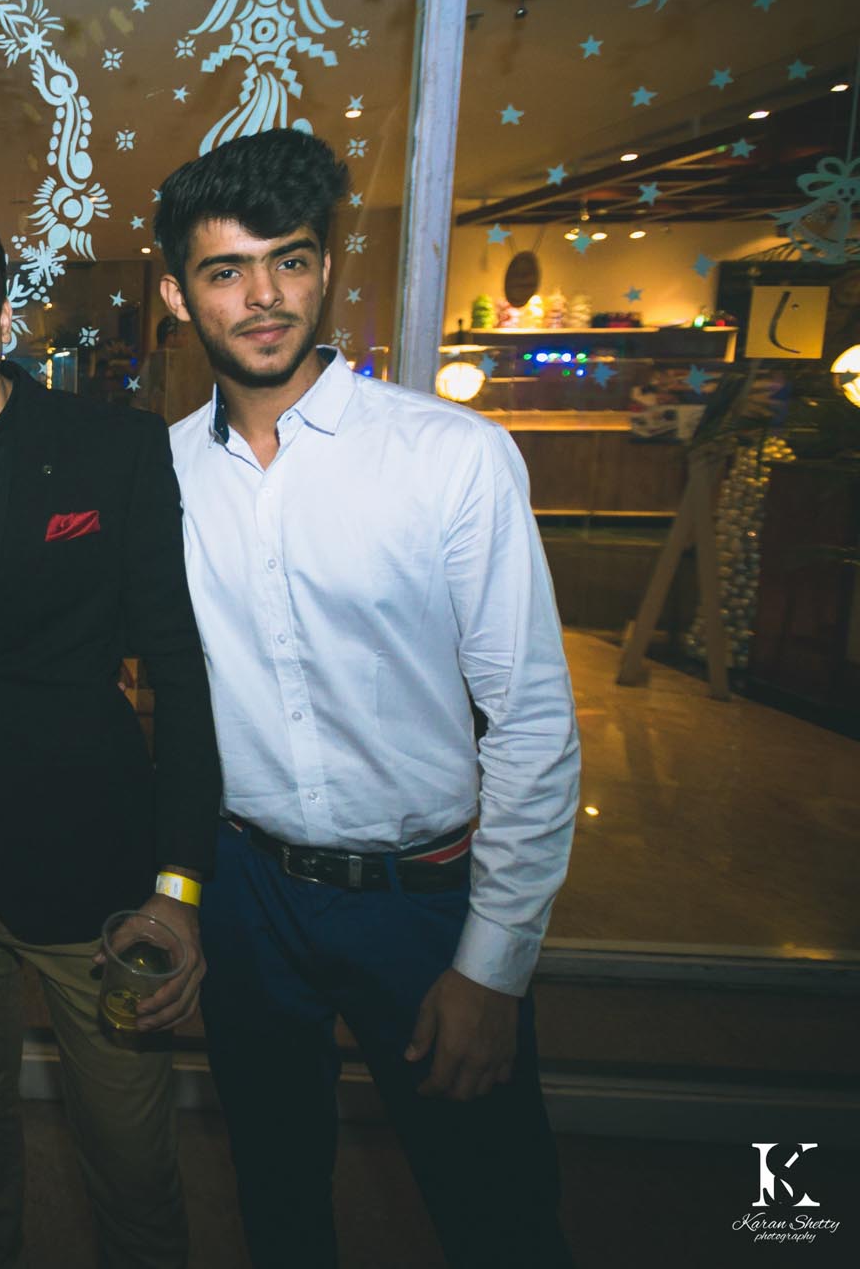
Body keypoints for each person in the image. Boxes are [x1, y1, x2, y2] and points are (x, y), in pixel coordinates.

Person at [155, 129, 579, 1267]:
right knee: (278, 1202)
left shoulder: (450, 455)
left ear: (326, 268)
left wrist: (493, 964)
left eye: (288, 260)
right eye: (224, 270)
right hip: (246, 895)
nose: (262, 297)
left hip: (422, 902)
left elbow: (532, 723)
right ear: (178, 294)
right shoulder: (164, 476)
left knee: (495, 1215)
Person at [0, 200, 222, 1269]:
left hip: (95, 871)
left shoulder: (112, 449)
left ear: (4, 312)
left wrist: (178, 884)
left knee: (129, 1153)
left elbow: (182, 677)